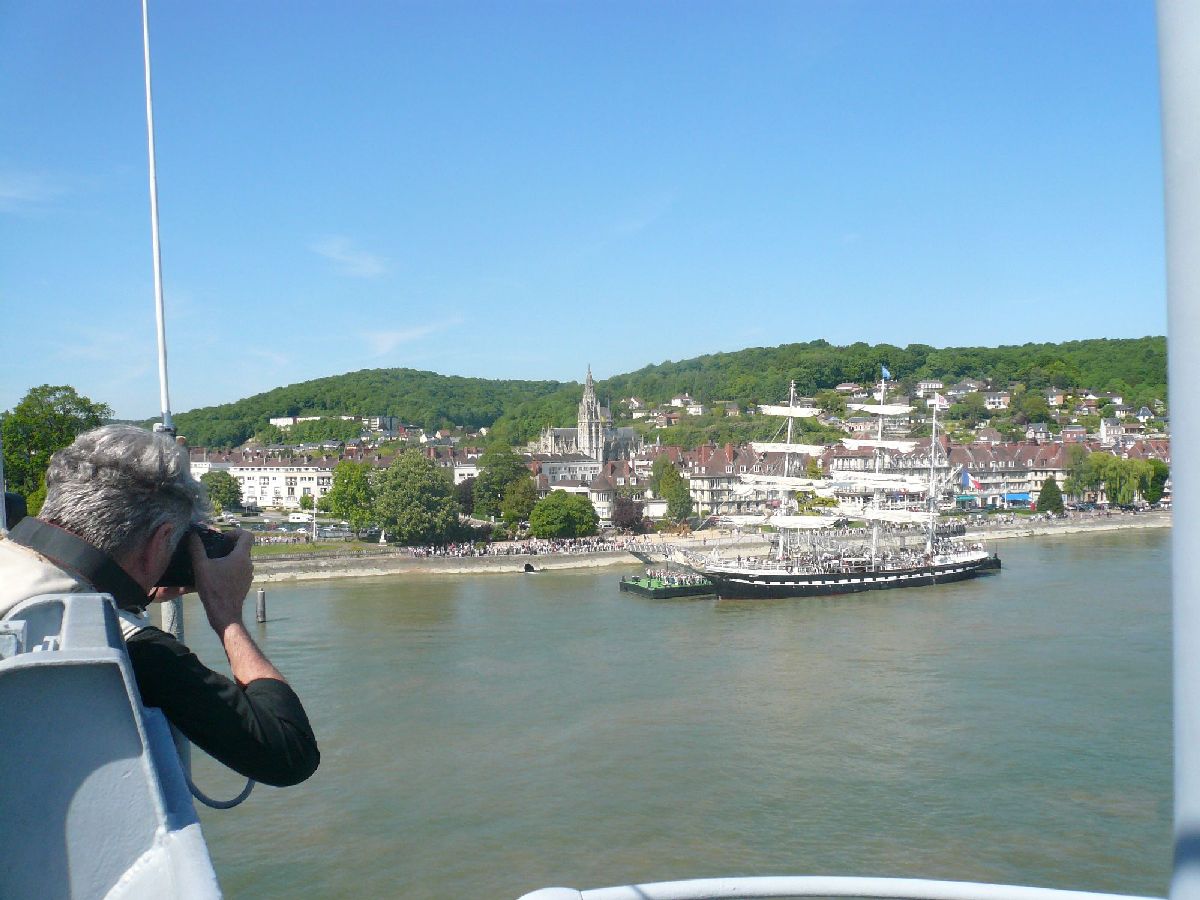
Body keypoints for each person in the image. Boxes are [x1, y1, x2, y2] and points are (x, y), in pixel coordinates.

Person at [0, 424, 319, 788]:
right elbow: (289, 752)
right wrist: (227, 615)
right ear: (163, 539)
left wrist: (134, 594)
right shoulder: (133, 646)